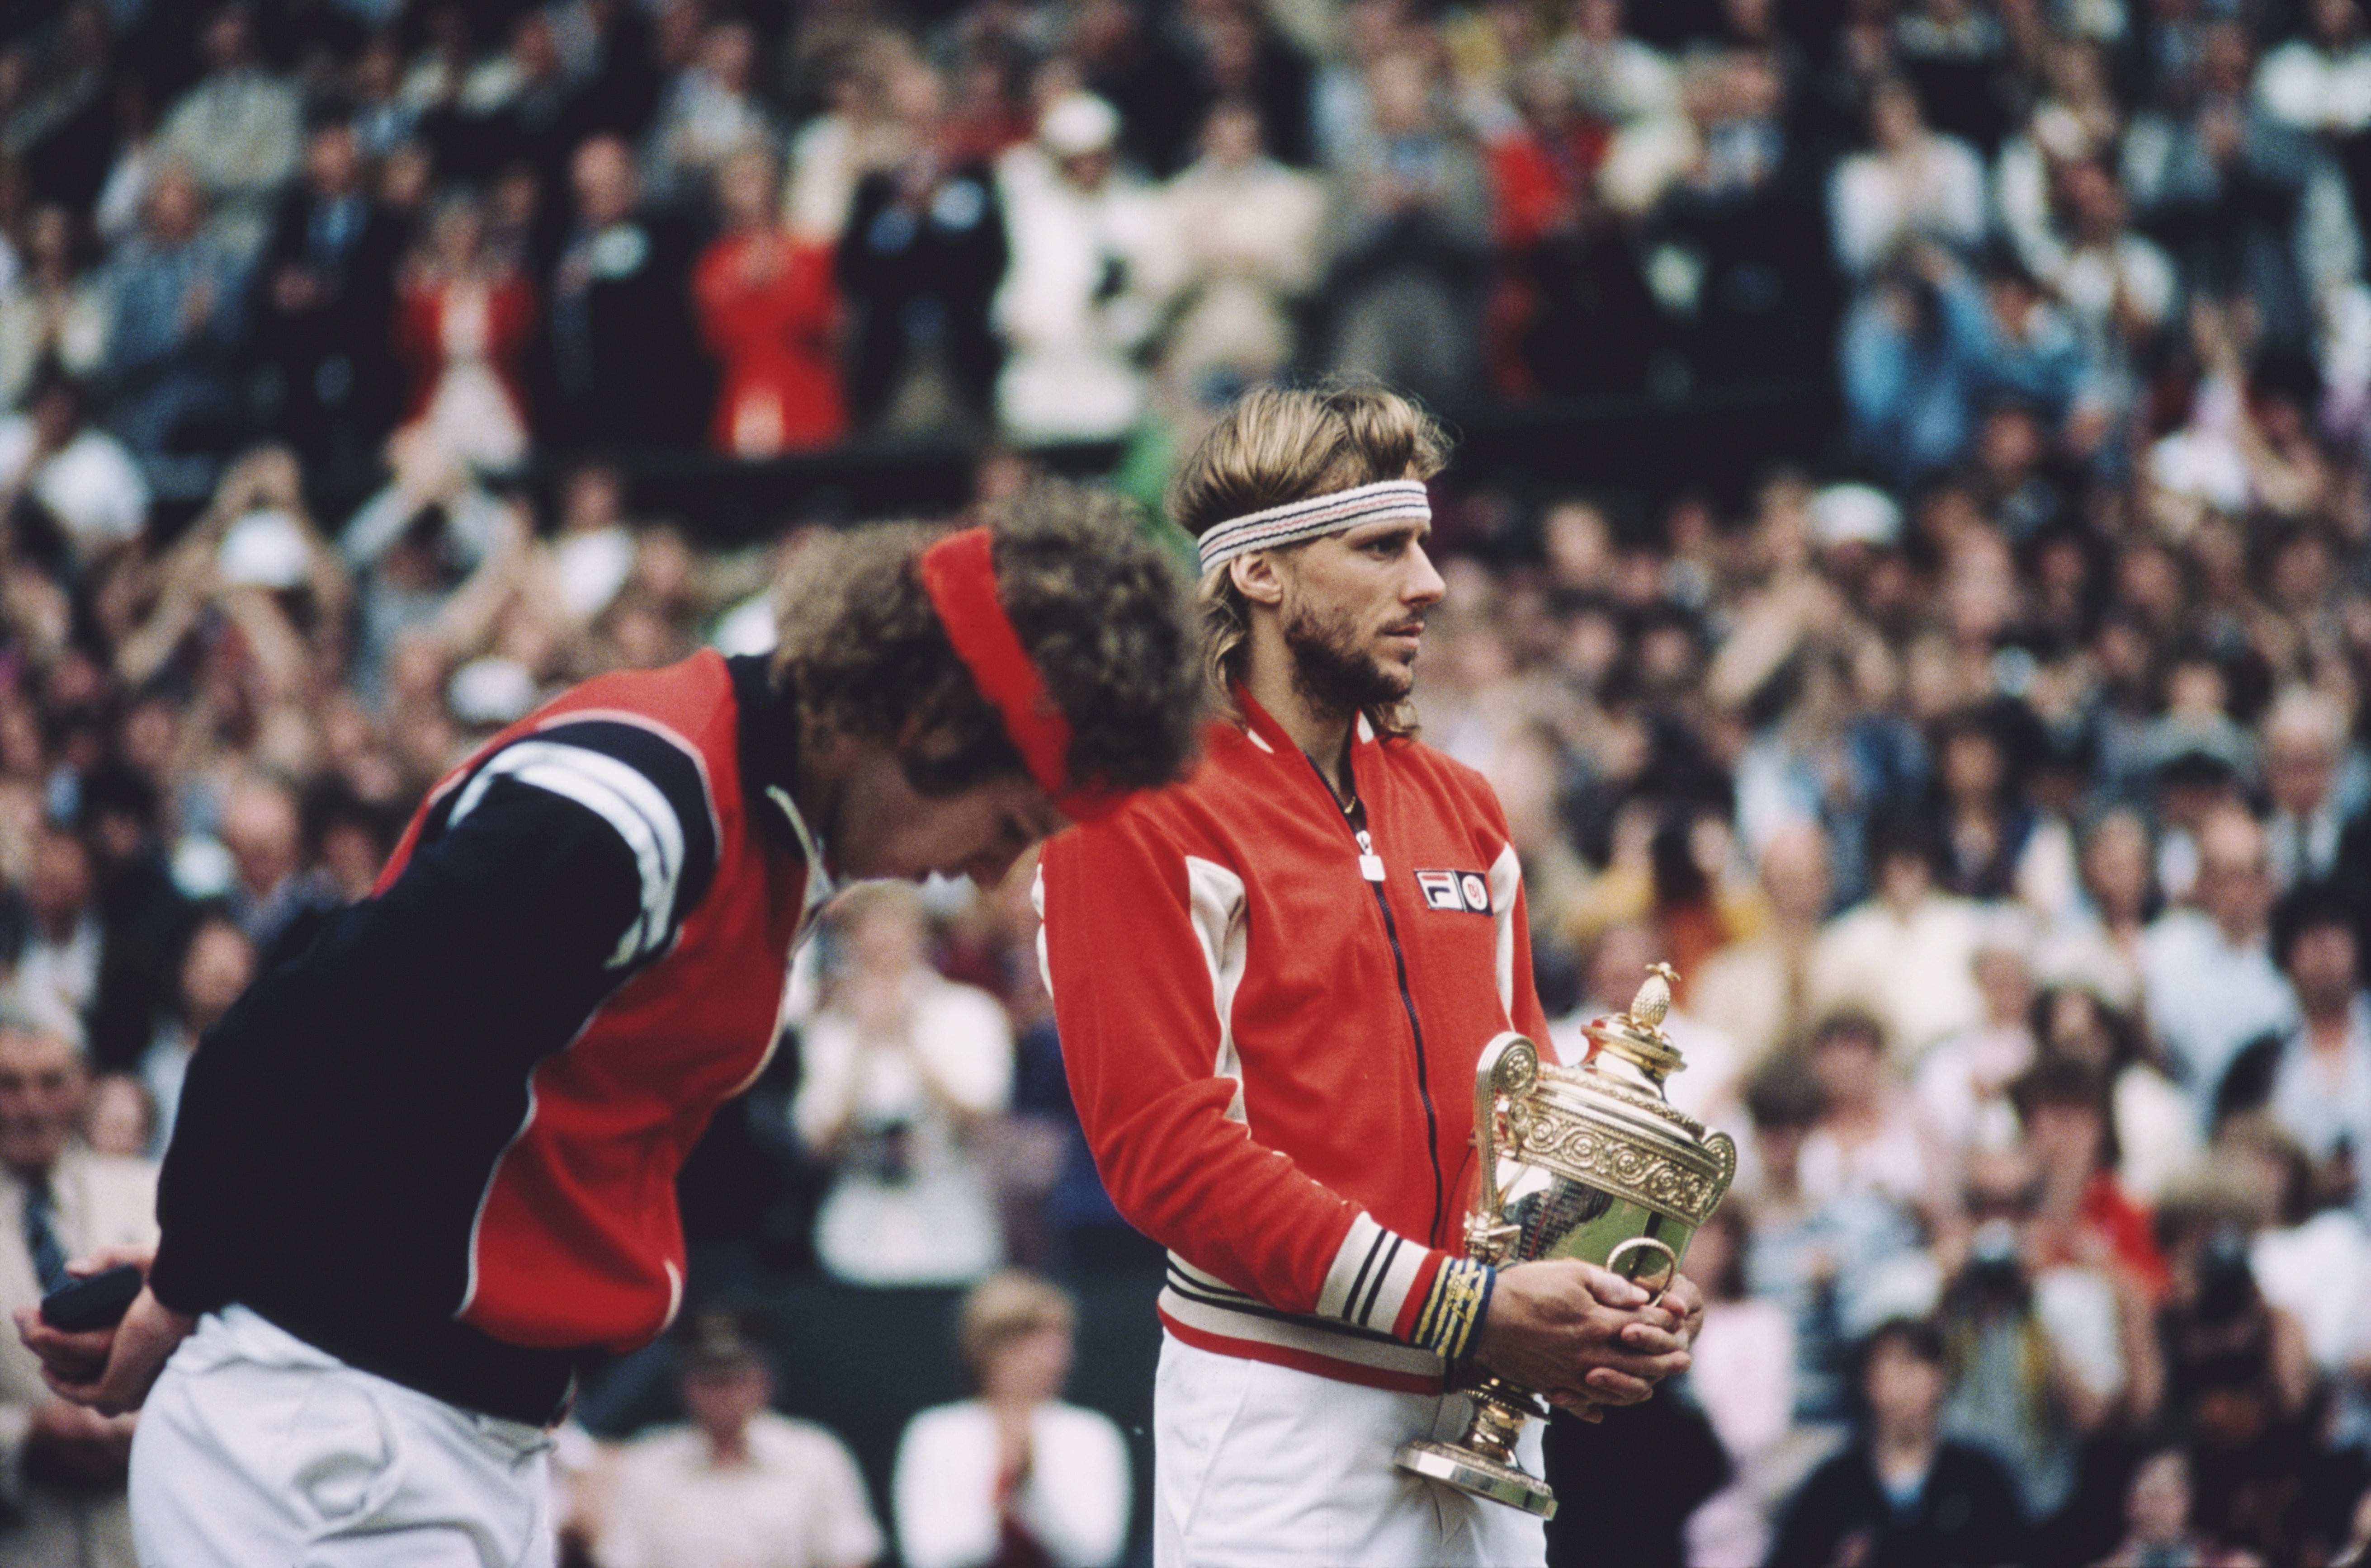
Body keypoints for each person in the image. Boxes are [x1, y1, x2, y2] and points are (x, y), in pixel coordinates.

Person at [18, 482, 1204, 1566]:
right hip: (338, 1439)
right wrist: (189, 1280)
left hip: (434, 1433)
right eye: (1015, 816)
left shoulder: (766, 823)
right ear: (932, 716)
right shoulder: (640, 811)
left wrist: (221, 1257)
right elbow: (285, 1043)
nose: (995, 866)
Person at [1036, 383, 1700, 1568]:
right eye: (1382, 546)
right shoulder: (1135, 806)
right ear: (1260, 573)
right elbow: (1164, 1152)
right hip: (1281, 1415)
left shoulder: (1463, 803)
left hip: (1493, 1419)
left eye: (1424, 544)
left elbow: (1528, 1117)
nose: (1429, 582)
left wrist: (1608, 1288)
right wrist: (1465, 1304)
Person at [0, 1019, 158, 1568]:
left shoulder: (150, 1194)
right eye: (9, 1084)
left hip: (145, 1537)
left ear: (82, 1085)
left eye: (50, 1081)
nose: (32, 1105)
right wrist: (23, 1440)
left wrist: (146, 1425)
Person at [593, 1312, 883, 1568]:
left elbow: (849, 1555)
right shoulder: (647, 1462)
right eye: (709, 1381)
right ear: (684, 1386)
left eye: (735, 1380)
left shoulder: (815, 1455)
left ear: (764, 1382)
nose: (723, 1396)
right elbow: (621, 1558)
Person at [891, 1270, 1130, 1568]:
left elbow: (1098, 1552)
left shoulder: (1092, 1433)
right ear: (987, 1348)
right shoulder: (935, 1433)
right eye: (1032, 1342)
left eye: (1060, 1341)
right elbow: (929, 1554)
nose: (1055, 1357)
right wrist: (1002, 1494)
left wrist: (1030, 1486)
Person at [1763, 1318, 2028, 1568]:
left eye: (1916, 1364)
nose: (1906, 1382)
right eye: (1892, 1366)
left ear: (1941, 1377)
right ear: (1868, 1381)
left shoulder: (1981, 1478)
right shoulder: (1831, 1486)